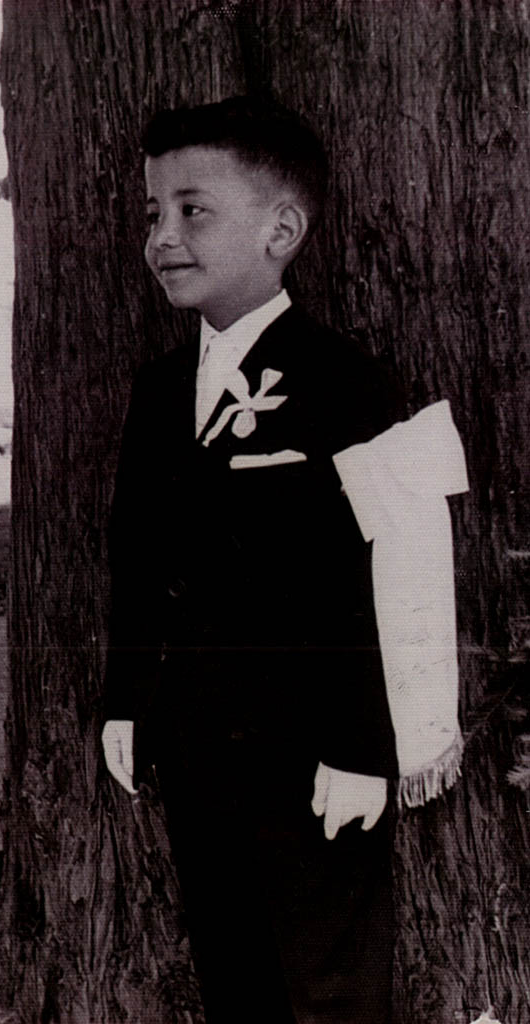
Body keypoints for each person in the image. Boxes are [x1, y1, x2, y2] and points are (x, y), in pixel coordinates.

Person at [102, 95, 469, 1023]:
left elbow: (383, 577)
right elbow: (138, 557)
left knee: (329, 986)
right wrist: (125, 699)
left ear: (282, 230)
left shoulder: (347, 383)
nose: (163, 237)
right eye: (153, 213)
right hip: (195, 744)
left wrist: (362, 748)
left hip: (314, 757)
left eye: (193, 210)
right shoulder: (157, 390)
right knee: (235, 975)